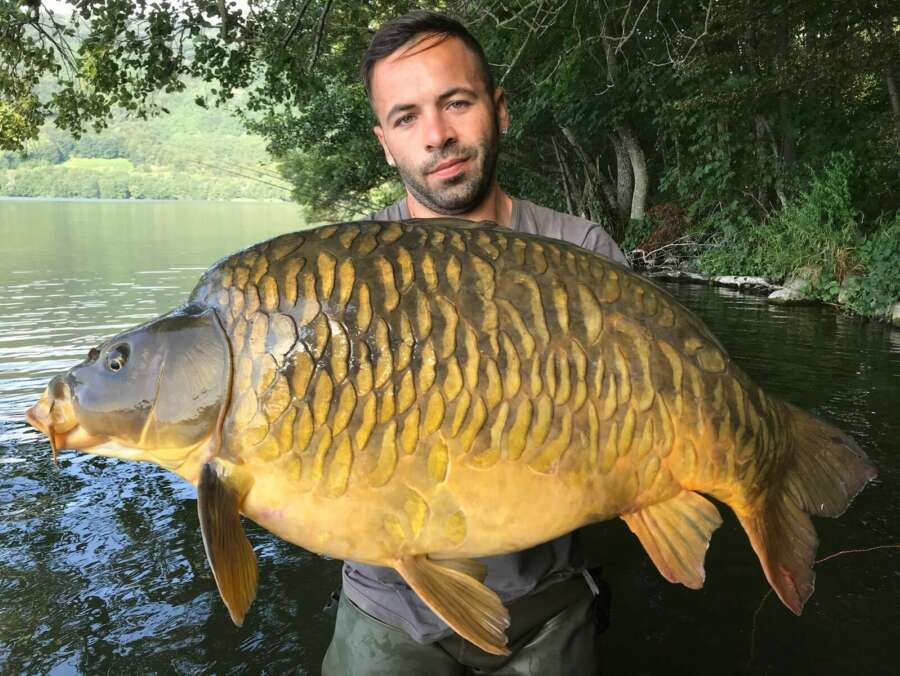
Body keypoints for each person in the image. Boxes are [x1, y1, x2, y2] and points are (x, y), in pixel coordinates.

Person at [322, 10, 627, 676]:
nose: (437, 135)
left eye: (456, 102)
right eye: (407, 118)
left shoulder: (582, 252)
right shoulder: (344, 275)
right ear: (385, 143)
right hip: (388, 603)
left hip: (547, 601)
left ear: (499, 109)